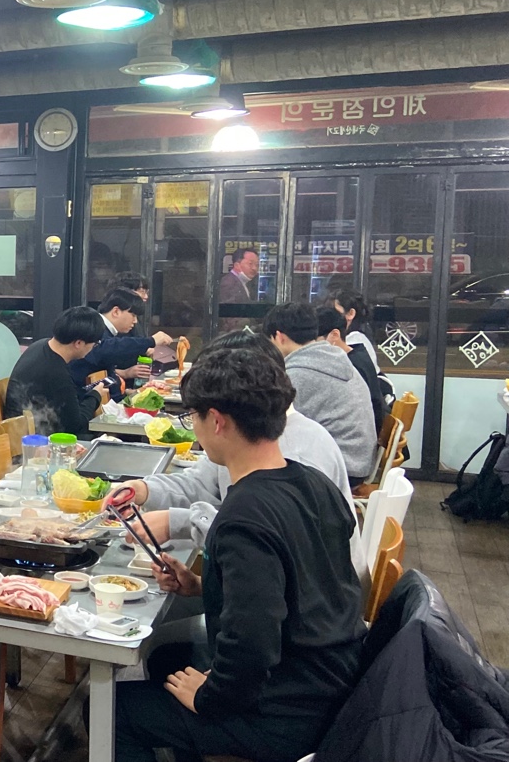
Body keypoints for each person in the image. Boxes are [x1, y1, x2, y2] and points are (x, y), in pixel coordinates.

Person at [114, 346, 364, 762]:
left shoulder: (243, 516)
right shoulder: (313, 483)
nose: (194, 428)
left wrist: (210, 697)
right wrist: (201, 585)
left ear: (216, 421)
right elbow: (301, 589)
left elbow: (253, 646)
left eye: (192, 417)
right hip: (338, 680)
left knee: (112, 713)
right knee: (170, 660)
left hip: (287, 710)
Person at [111, 331, 358, 571]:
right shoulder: (246, 439)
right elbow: (202, 483)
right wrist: (143, 490)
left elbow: (269, 542)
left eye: (194, 414)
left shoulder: (296, 453)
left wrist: (178, 522)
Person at [263, 302, 377, 485]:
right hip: (355, 460)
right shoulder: (333, 358)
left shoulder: (299, 373)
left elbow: (273, 425)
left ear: (279, 337)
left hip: (339, 468)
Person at [4, 307, 104, 438]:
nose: (93, 348)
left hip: (23, 429)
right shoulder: (56, 372)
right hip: (33, 440)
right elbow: (75, 425)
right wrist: (96, 395)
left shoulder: (39, 345)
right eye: (94, 344)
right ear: (79, 343)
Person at [67, 288, 173, 396]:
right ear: (116, 312)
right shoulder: (93, 328)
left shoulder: (107, 331)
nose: (135, 321)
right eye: (133, 315)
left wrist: (128, 393)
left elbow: (108, 374)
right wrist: (151, 341)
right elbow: (108, 348)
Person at [317, 305, 385, 431]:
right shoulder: (358, 355)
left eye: (315, 341)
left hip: (363, 434)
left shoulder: (350, 366)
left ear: (335, 335)